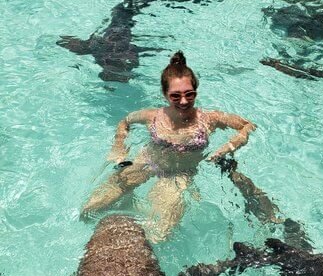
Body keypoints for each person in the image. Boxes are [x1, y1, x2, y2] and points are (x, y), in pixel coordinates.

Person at [81, 51, 256, 240]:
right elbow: (125, 122)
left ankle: (129, 208)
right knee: (89, 211)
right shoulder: (152, 116)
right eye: (176, 96)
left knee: (158, 234)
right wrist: (118, 146)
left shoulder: (209, 119)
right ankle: (127, 204)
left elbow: (248, 125)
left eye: (190, 94)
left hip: (178, 175)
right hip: (145, 163)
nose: (183, 101)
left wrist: (231, 144)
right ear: (165, 94)